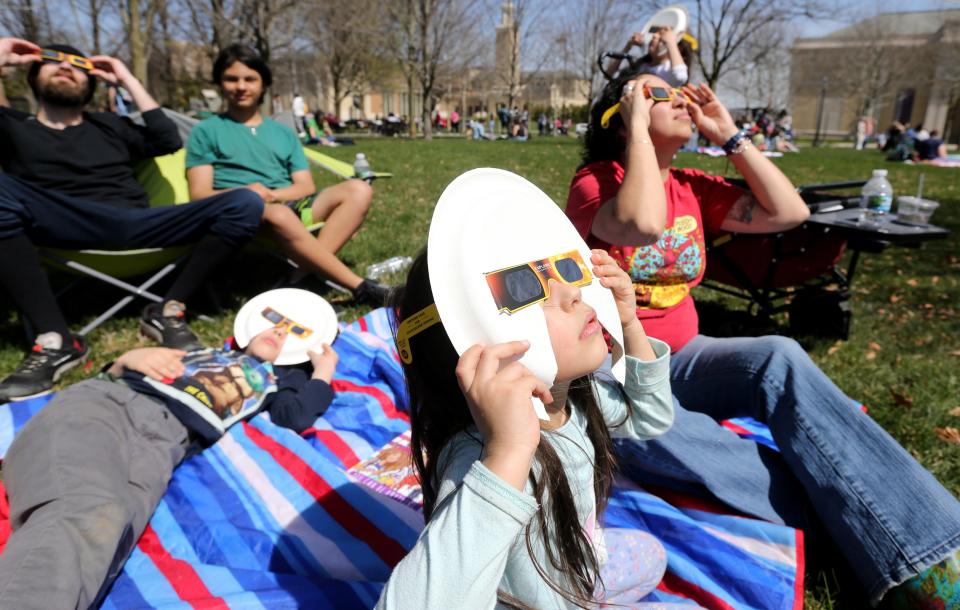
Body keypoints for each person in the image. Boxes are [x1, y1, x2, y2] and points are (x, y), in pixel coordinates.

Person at [564, 67, 960, 608]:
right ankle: (849, 524)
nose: (680, 100)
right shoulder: (595, 182)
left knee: (779, 354)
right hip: (623, 374)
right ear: (623, 113)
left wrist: (730, 134)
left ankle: (928, 545)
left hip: (685, 357)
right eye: (659, 93)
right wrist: (637, 132)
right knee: (649, 430)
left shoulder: (691, 187)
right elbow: (642, 225)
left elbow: (789, 212)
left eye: (681, 92)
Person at [379, 245, 680, 609]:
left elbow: (651, 417)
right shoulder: (480, 459)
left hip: (573, 571)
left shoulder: (578, 398)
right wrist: (507, 453)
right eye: (525, 288)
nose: (573, 292)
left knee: (652, 555)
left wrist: (628, 326)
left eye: (559, 269)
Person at [0, 291, 340, 609]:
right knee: (85, 508)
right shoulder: (202, 351)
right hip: (112, 406)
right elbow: (114, 376)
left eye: (289, 333)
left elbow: (294, 415)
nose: (278, 332)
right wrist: (125, 360)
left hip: (166, 443)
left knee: (111, 526)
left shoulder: (274, 383)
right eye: (273, 324)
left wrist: (322, 373)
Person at [0, 37, 264, 401]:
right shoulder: (14, 126)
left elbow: (167, 138)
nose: (66, 67)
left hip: (139, 223)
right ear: (32, 76)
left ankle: (169, 309)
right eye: (53, 62)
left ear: (91, 83)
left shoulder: (111, 125)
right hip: (62, 224)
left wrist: (125, 77)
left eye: (79, 67)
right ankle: (56, 338)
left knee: (244, 203)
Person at [186, 44, 388, 305]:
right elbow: (199, 194)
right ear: (220, 83)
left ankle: (299, 276)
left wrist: (272, 194)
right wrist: (246, 194)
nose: (241, 86)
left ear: (263, 84)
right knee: (279, 213)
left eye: (250, 79)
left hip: (287, 205)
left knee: (360, 189)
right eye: (231, 79)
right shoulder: (206, 131)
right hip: (239, 210)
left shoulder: (282, 132)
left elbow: (304, 186)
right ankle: (360, 287)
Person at [605, 26, 692, 87]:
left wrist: (671, 43)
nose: (654, 36)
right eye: (655, 33)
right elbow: (608, 74)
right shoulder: (640, 65)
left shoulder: (670, 69)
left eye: (661, 37)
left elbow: (680, 77)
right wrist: (628, 47)